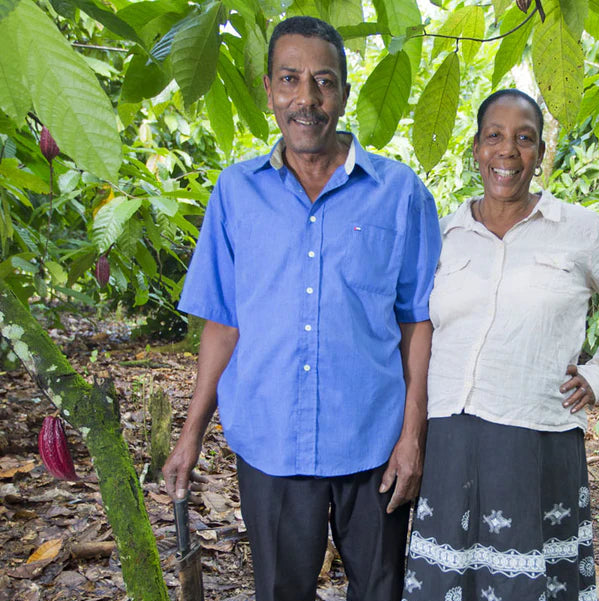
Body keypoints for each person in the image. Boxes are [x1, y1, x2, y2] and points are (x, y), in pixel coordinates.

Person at [162, 16, 441, 601]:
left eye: (323, 81)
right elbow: (223, 321)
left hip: (373, 442)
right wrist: (190, 434)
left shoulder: (400, 192)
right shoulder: (236, 193)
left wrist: (413, 433)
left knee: (382, 592)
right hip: (272, 443)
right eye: (290, 79)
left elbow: (419, 320)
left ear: (343, 91)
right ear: (268, 90)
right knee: (282, 591)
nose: (306, 98)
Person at [402, 89, 599, 601]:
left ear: (540, 154)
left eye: (525, 139)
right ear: (476, 147)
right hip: (451, 437)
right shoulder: (446, 233)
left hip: (536, 438)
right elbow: (419, 327)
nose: (508, 151)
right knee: (450, 580)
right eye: (494, 136)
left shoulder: (577, 230)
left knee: (526, 581)